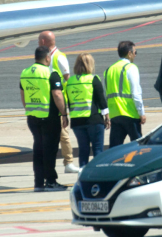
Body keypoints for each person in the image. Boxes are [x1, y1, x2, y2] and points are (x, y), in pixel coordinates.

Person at [20, 46, 68, 192]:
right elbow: (57, 95)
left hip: (32, 117)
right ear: (47, 58)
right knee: (50, 150)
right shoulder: (51, 73)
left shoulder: (25, 72)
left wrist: (29, 110)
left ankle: (39, 183)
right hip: (49, 117)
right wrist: (64, 114)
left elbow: (23, 95)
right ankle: (51, 182)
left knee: (38, 149)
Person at [38, 31, 79, 173]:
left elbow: (68, 79)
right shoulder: (44, 56)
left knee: (63, 133)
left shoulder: (59, 57)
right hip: (46, 100)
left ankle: (68, 162)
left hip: (58, 100)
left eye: (39, 40)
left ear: (43, 42)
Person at [67, 53, 110, 168]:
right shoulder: (93, 79)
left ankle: (82, 177)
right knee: (97, 150)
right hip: (93, 119)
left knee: (83, 150)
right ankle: (98, 177)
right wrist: (107, 117)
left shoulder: (70, 81)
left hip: (76, 121)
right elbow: (101, 100)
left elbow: (69, 102)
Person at [104, 41, 146, 148]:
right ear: (129, 53)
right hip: (130, 113)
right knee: (138, 147)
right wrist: (141, 112)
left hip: (115, 115)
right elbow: (136, 93)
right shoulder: (130, 68)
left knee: (114, 149)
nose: (135, 55)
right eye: (135, 52)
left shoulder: (109, 70)